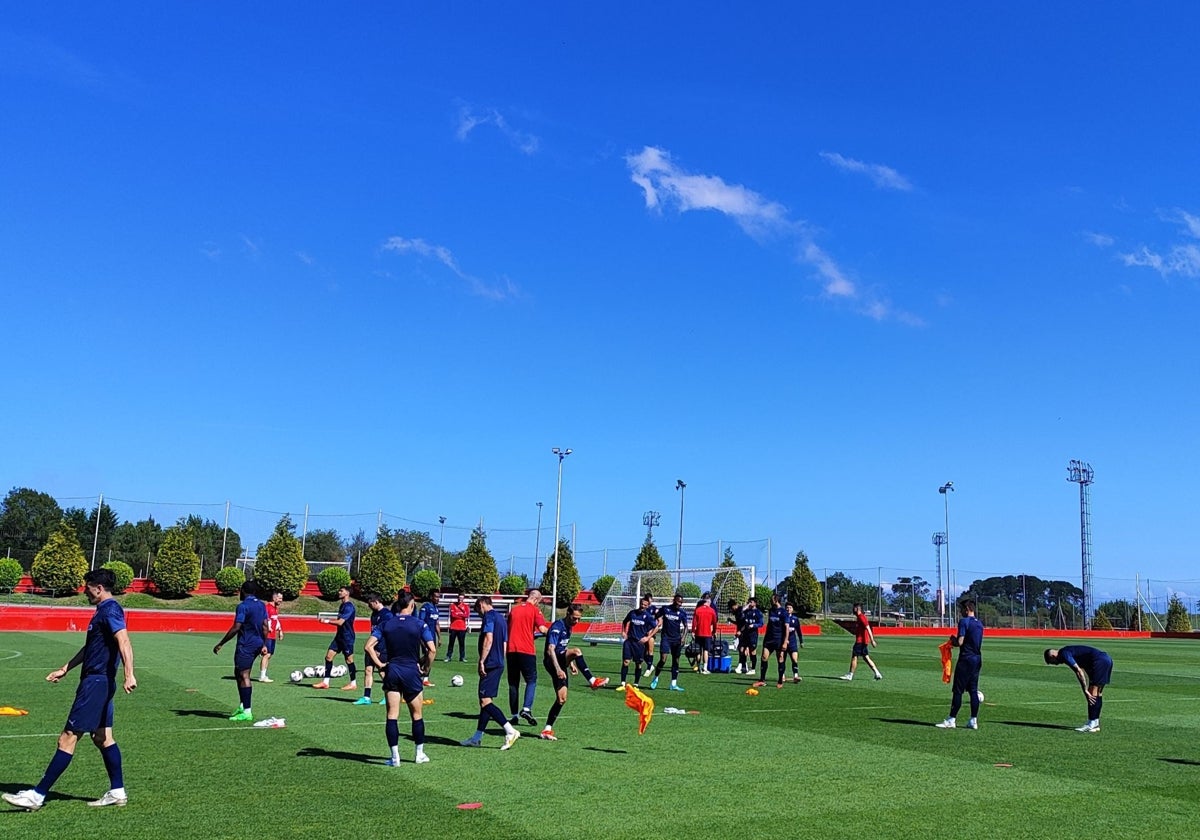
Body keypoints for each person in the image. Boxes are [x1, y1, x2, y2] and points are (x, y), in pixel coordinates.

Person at [3, 569, 136, 812]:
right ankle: (117, 791)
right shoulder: (101, 612)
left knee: (67, 737)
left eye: (87, 586)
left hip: (96, 684)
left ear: (98, 587)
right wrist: (66, 668)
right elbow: (91, 648)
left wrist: (129, 673)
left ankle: (37, 795)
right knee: (102, 737)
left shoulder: (111, 610)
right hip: (99, 682)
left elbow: (124, 640)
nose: (84, 590)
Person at [365, 591, 438, 765]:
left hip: (393, 670)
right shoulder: (419, 624)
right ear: (412, 605)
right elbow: (432, 650)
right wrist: (425, 667)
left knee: (392, 715)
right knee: (417, 715)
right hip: (411, 672)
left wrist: (381, 665)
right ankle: (419, 754)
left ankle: (394, 757)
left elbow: (368, 646)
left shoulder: (386, 623)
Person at [539, 604, 610, 740]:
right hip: (552, 662)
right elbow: (550, 650)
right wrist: (559, 669)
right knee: (577, 651)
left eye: (579, 619)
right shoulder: (557, 627)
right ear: (568, 614)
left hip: (560, 661)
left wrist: (570, 663)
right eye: (574, 618)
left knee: (562, 699)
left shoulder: (569, 627)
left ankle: (546, 730)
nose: (576, 621)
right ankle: (592, 681)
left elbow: (563, 647)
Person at [461, 596, 521, 750]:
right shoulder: (501, 618)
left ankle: (510, 731)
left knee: (485, 701)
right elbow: (504, 642)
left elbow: (489, 638)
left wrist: (482, 660)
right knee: (485, 702)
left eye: (478, 612)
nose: (480, 615)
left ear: (481, 605)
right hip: (498, 661)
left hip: (491, 663)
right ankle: (477, 737)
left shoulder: (489, 616)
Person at [213, 580, 269, 721]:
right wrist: (264, 644)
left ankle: (247, 711)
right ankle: (243, 706)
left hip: (246, 644)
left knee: (244, 675)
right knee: (238, 673)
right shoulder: (262, 605)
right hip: (257, 643)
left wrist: (221, 643)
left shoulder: (243, 606)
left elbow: (236, 627)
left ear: (243, 591)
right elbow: (265, 627)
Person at [936, 599, 984, 729]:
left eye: (961, 609)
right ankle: (973, 720)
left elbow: (960, 642)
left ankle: (951, 719)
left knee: (958, 690)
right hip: (977, 658)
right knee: (973, 690)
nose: (960, 612)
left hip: (966, 659)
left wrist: (953, 640)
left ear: (967, 609)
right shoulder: (979, 624)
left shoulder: (964, 622)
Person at [506, 588, 549, 727]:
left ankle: (514, 716)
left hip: (511, 650)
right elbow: (542, 629)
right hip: (527, 651)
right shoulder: (535, 610)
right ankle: (526, 709)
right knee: (531, 680)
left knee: (513, 683)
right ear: (536, 600)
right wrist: (554, 633)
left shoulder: (514, 610)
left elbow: (512, 629)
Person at [1044, 645, 1113, 732]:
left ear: (1052, 656)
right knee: (1098, 692)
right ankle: (1095, 723)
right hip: (1106, 659)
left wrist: (1085, 690)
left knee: (1092, 693)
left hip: (1099, 661)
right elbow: (1085, 664)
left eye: (1052, 662)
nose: (1055, 664)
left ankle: (1091, 723)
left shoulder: (1064, 654)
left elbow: (1078, 671)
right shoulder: (1067, 651)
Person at [314, 586, 357, 690]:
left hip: (347, 637)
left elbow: (341, 622)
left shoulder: (349, 607)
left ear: (347, 593)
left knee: (349, 660)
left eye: (341, 591)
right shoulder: (342, 605)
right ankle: (325, 682)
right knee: (328, 657)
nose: (339, 592)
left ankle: (353, 683)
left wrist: (326, 621)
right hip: (339, 637)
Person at [646, 592, 689, 691]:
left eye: (681, 603)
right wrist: (656, 624)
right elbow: (656, 615)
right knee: (663, 659)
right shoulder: (665, 609)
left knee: (676, 660)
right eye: (678, 602)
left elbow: (686, 626)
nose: (679, 604)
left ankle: (673, 684)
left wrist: (683, 638)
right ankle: (655, 678)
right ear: (674, 600)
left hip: (677, 639)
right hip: (666, 638)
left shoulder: (682, 613)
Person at [356, 593, 393, 706]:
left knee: (382, 672)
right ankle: (366, 697)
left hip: (382, 648)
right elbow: (374, 633)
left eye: (370, 604)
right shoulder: (373, 614)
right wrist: (372, 647)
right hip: (372, 647)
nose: (369, 606)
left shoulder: (387, 615)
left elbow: (387, 634)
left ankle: (388, 696)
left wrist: (379, 648)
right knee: (368, 670)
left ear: (376, 602)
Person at [619, 593, 655, 688]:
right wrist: (623, 632)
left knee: (638, 664)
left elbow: (656, 627)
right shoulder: (632, 613)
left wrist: (648, 637)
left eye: (645, 605)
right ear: (640, 603)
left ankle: (636, 684)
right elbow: (624, 621)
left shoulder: (648, 616)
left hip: (639, 643)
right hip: (629, 641)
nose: (643, 606)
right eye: (642, 604)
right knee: (626, 662)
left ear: (647, 606)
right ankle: (622, 683)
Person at [753, 593, 789, 689]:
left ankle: (780, 680)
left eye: (772, 599)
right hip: (769, 639)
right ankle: (762, 680)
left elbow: (786, 628)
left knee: (780, 659)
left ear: (776, 600)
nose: (770, 600)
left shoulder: (784, 613)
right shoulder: (771, 610)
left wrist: (785, 641)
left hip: (779, 639)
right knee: (764, 657)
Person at [839, 603, 882, 681]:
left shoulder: (862, 617)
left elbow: (868, 628)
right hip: (863, 642)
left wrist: (872, 640)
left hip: (860, 641)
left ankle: (850, 675)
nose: (853, 609)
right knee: (866, 658)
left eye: (854, 608)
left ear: (858, 609)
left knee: (854, 657)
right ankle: (877, 673)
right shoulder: (859, 617)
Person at [416, 591, 442, 685]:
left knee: (430, 656)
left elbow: (437, 624)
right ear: (431, 597)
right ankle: (423, 676)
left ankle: (420, 670)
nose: (438, 599)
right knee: (429, 655)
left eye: (439, 597)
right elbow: (420, 622)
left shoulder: (436, 609)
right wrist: (421, 638)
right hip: (425, 636)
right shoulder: (425, 607)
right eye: (436, 597)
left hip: (432, 637)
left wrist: (439, 637)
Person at [259, 589, 283, 683]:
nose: (281, 600)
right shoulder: (267, 607)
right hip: (267, 636)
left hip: (273, 635)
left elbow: (276, 620)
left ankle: (264, 675)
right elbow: (264, 620)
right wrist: (267, 628)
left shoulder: (276, 608)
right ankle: (262, 676)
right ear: (274, 598)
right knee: (266, 654)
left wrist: (280, 631)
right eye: (279, 598)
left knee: (269, 655)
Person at [736, 596, 763, 675]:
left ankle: (753, 669)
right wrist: (740, 631)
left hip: (753, 634)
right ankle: (744, 666)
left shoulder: (758, 612)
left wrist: (754, 625)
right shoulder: (747, 611)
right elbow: (741, 617)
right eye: (749, 602)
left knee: (752, 651)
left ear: (755, 603)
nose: (749, 603)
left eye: (751, 602)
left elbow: (761, 624)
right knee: (741, 649)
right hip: (745, 633)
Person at [692, 593, 718, 675]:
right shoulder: (712, 611)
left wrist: (693, 631)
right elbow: (714, 623)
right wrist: (714, 632)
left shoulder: (697, 610)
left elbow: (694, 622)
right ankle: (705, 668)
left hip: (698, 633)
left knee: (698, 650)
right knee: (706, 650)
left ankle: (698, 667)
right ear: (708, 601)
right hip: (707, 634)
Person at [445, 592, 470, 662]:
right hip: (453, 627)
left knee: (462, 644)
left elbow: (467, 615)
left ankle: (462, 657)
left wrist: (458, 614)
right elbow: (453, 615)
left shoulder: (466, 606)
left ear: (463, 599)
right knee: (451, 643)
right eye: (459, 598)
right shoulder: (453, 605)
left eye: (461, 598)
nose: (460, 599)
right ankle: (448, 656)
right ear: (457, 598)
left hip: (462, 628)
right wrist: (461, 614)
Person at [784, 602, 804, 682]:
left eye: (790, 608)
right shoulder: (783, 618)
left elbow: (799, 631)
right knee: (782, 659)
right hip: (784, 642)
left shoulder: (795, 619)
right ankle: (782, 675)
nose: (788, 609)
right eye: (787, 607)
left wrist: (801, 641)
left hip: (792, 642)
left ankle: (796, 675)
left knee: (794, 659)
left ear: (792, 609)